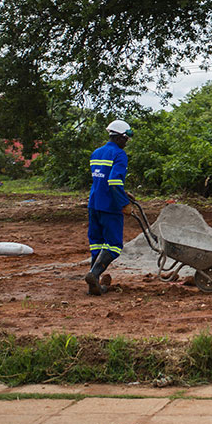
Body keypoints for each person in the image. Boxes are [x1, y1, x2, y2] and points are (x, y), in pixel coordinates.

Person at [86, 119, 134, 296]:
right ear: (120, 137)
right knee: (114, 245)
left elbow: (103, 180)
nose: (126, 143)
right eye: (126, 139)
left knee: (97, 243)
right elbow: (113, 181)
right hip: (110, 206)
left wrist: (124, 192)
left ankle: (94, 284)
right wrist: (123, 203)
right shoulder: (119, 154)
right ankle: (93, 274)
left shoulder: (96, 153)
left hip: (94, 203)